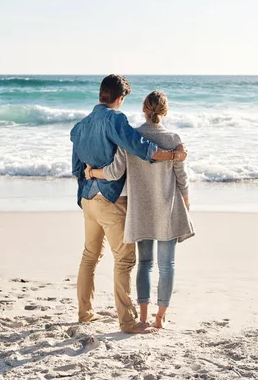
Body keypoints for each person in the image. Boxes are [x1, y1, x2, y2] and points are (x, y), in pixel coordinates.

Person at [70, 75, 187, 334]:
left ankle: (85, 312)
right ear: (120, 98)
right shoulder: (115, 119)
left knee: (89, 256)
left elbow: (77, 168)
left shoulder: (80, 126)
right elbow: (141, 147)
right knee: (124, 261)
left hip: (88, 198)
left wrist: (89, 177)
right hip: (111, 200)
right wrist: (173, 155)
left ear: (102, 94)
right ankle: (128, 321)